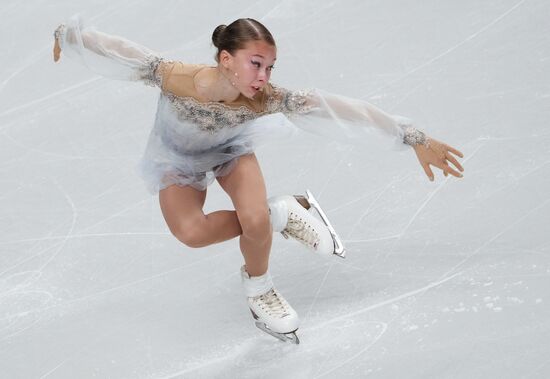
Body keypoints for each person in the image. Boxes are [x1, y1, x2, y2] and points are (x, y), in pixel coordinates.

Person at [52, 13, 464, 344]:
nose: (263, 75)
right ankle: (283, 213)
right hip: (178, 161)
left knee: (252, 220)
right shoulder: (174, 76)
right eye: (255, 63)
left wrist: (412, 137)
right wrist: (70, 35)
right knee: (192, 233)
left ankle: (260, 288)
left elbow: (341, 108)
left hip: (231, 154)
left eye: (269, 66)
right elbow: (119, 51)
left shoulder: (266, 99)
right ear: (225, 58)